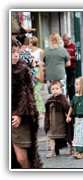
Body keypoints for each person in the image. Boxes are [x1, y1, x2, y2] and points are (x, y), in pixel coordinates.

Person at [11, 39, 42, 168]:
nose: (16, 55)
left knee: (22, 159)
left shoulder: (22, 70)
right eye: (12, 52)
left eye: (17, 52)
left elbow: (26, 95)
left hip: (18, 118)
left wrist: (19, 114)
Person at [44, 81, 72, 158]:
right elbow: (47, 113)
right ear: (50, 90)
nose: (55, 90)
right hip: (52, 124)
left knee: (66, 136)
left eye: (57, 88)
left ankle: (72, 148)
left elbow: (66, 109)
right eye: (53, 89)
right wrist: (46, 122)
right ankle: (53, 151)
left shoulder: (62, 100)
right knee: (52, 137)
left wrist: (68, 116)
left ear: (61, 89)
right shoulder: (49, 101)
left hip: (61, 124)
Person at [29, 36, 46, 117]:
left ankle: (41, 110)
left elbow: (45, 62)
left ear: (33, 43)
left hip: (38, 72)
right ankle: (37, 109)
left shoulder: (40, 51)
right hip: (31, 73)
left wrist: (38, 64)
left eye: (29, 42)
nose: (27, 44)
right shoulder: (27, 51)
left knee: (36, 92)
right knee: (32, 92)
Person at [62, 33, 76, 101]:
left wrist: (70, 57)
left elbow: (77, 57)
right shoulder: (63, 47)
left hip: (72, 67)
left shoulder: (74, 46)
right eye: (63, 40)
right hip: (65, 68)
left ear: (69, 39)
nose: (65, 42)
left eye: (66, 40)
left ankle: (72, 99)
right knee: (65, 85)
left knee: (71, 84)